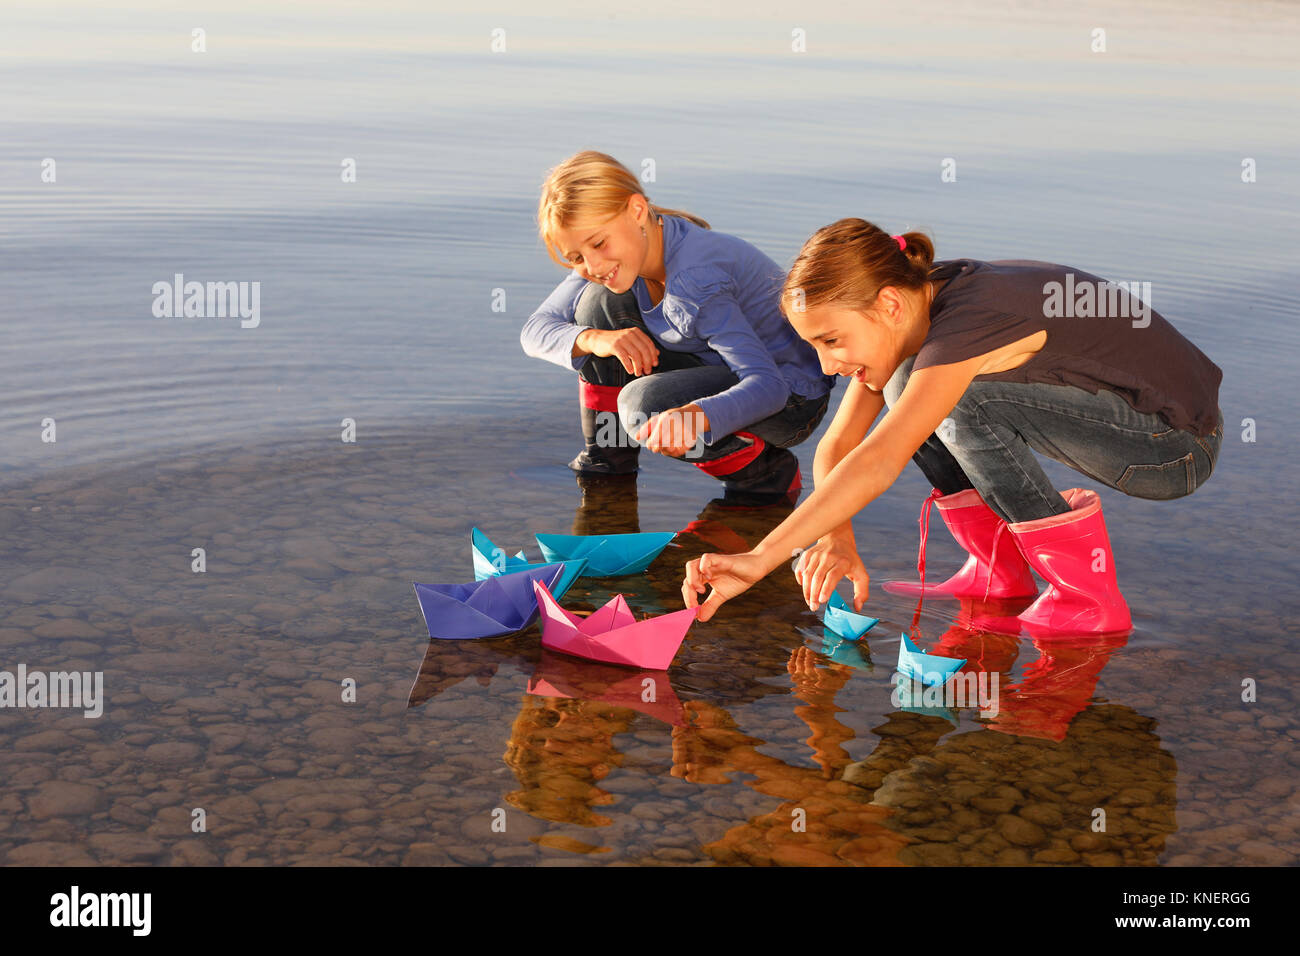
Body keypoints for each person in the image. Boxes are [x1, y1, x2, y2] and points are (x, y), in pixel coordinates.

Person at [681, 218, 1224, 636]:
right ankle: (998, 572)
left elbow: (878, 460)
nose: (826, 367)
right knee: (905, 388)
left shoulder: (966, 325)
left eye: (831, 341)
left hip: (1173, 448)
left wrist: (760, 559)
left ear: (888, 304)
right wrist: (834, 534)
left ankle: (1086, 601)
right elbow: (839, 446)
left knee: (951, 403)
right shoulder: (918, 302)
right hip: (1125, 423)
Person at [520, 151, 834, 501]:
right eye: (576, 257)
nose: (592, 264)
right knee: (599, 303)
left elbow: (770, 387)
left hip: (790, 398)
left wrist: (696, 416)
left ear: (637, 211)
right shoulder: (634, 245)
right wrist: (597, 339)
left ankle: (763, 473)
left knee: (642, 406)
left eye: (598, 243)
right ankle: (609, 460)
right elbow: (534, 331)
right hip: (724, 366)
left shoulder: (695, 282)